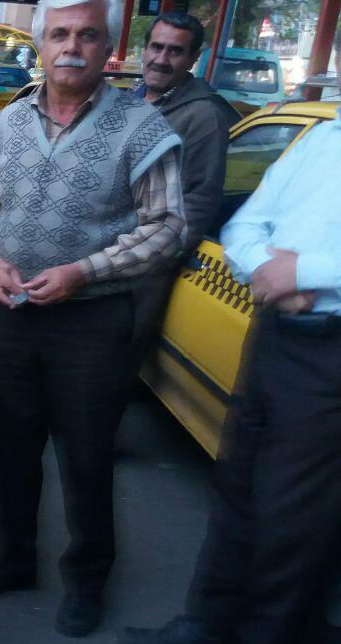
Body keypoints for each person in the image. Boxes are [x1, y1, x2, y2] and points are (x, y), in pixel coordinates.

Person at [118, 37, 341, 644]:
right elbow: (247, 222)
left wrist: (305, 272)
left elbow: (299, 260)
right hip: (276, 335)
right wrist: (266, 270)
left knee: (292, 515)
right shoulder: (323, 139)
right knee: (238, 484)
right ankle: (208, 625)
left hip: (332, 351)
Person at [0, 0, 185, 637]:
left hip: (92, 320)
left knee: (86, 455)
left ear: (108, 48)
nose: (71, 47)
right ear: (42, 45)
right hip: (12, 313)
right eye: (59, 34)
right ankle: (12, 558)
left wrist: (85, 271)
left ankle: (86, 580)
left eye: (86, 35)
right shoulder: (4, 126)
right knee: (9, 446)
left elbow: (168, 227)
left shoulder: (141, 127)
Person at [126, 11, 240, 377]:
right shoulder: (130, 99)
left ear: (192, 59)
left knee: (112, 368)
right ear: (144, 49)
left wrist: (154, 256)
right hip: (96, 255)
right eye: (156, 47)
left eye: (175, 51)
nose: (161, 59)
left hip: (142, 267)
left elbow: (200, 199)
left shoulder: (204, 115)